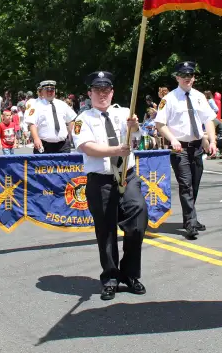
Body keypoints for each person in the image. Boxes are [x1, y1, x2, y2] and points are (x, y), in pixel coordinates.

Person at [72, 71, 146, 301]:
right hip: (100, 179)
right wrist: (115, 151)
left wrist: (134, 127)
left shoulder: (125, 112)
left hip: (127, 175)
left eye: (106, 90)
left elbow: (138, 137)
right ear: (89, 93)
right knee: (106, 231)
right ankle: (111, 277)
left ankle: (130, 273)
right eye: (97, 90)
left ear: (112, 92)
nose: (102, 94)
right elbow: (87, 147)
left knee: (137, 218)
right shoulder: (82, 120)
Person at [155, 61, 217, 240]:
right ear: (177, 78)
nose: (187, 79)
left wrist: (211, 140)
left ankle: (190, 217)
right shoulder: (169, 99)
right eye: (183, 76)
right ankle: (190, 223)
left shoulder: (199, 96)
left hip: (197, 146)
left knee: (195, 184)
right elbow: (160, 124)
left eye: (190, 76)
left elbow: (208, 120)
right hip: (179, 147)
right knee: (186, 185)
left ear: (194, 78)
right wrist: (173, 139)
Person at [25, 80, 77, 154]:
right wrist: (36, 139)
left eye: (52, 90)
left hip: (63, 146)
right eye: (47, 90)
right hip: (44, 145)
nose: (50, 92)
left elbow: (72, 119)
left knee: (64, 166)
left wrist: (70, 134)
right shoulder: (36, 105)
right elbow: (32, 124)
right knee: (43, 165)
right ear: (42, 91)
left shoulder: (62, 104)